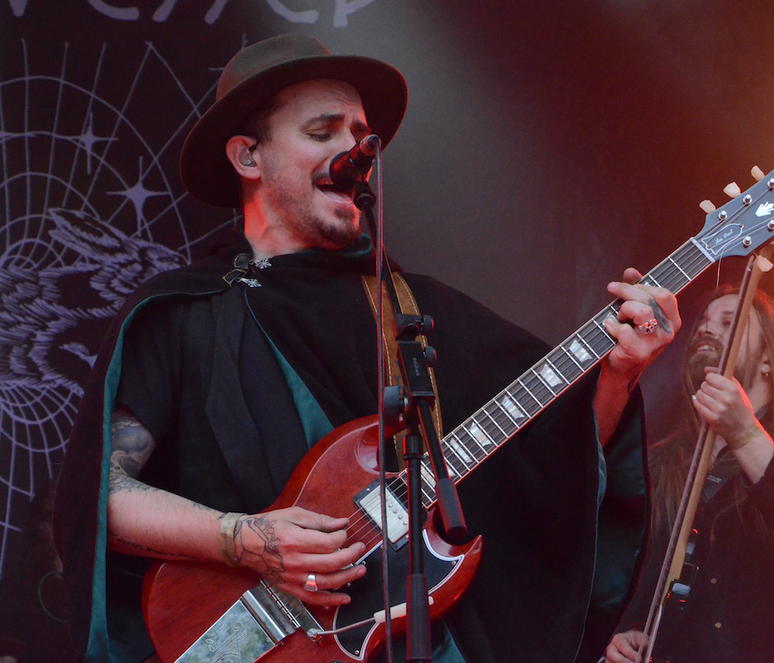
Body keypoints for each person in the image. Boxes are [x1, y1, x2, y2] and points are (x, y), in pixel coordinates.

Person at [54, 34, 682, 663]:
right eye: (322, 132)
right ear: (248, 156)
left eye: (360, 135)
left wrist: (617, 374)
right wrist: (246, 540)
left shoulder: (416, 310)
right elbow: (100, 496)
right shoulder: (184, 312)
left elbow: (555, 458)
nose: (353, 152)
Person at [605, 289, 774, 663]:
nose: (706, 330)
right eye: (703, 323)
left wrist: (746, 435)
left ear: (769, 358)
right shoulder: (664, 460)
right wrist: (629, 631)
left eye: (728, 323)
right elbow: (640, 573)